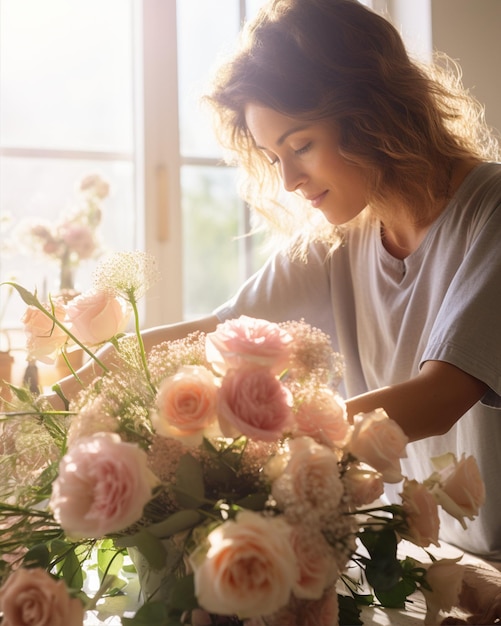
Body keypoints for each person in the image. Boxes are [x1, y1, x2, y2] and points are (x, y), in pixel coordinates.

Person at [59, 0, 501, 564]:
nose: (290, 180)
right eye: (274, 158)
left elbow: (437, 398)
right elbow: (214, 334)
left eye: (301, 146)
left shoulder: (491, 209)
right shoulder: (343, 235)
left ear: (372, 110)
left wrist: (259, 454)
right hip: (424, 562)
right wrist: (76, 389)